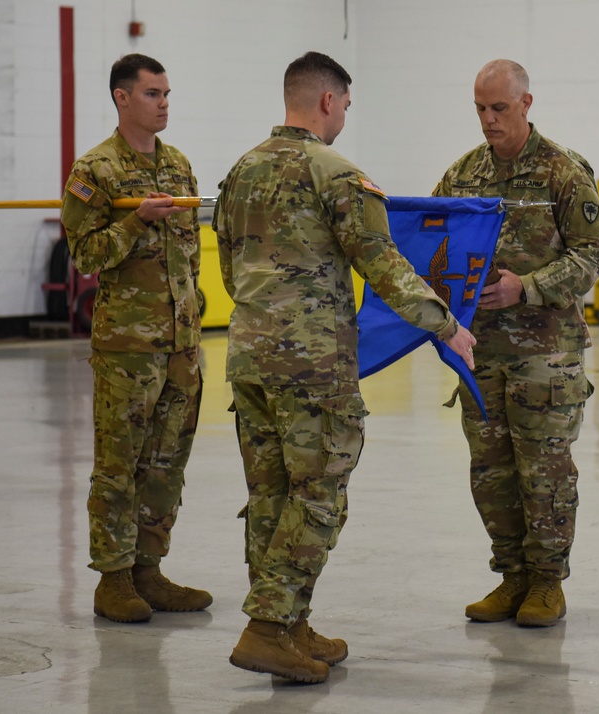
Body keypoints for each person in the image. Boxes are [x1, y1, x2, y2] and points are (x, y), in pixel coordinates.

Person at [214, 51, 477, 684]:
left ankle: (292, 625)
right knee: (319, 494)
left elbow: (227, 265)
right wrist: (447, 325)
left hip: (249, 356)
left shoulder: (240, 171)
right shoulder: (337, 173)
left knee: (271, 494)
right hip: (312, 366)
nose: (344, 119)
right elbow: (383, 266)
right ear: (329, 101)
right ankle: (269, 626)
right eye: (347, 107)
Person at [433, 59, 599, 627]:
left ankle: (547, 584)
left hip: (545, 355)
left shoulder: (563, 173)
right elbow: (431, 241)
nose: (488, 120)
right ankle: (511, 578)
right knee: (491, 471)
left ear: (526, 105)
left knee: (545, 472)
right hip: (480, 352)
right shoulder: (461, 177)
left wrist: (526, 288)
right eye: (480, 108)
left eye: (499, 108)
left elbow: (592, 256)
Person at [61, 53, 210, 624]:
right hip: (128, 347)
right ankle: (114, 579)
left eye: (167, 93)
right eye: (153, 94)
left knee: (167, 461)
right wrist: (134, 221)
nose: (164, 102)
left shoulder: (178, 165)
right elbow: (85, 255)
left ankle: (149, 569)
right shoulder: (94, 170)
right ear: (123, 98)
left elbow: (190, 257)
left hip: (180, 343)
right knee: (120, 463)